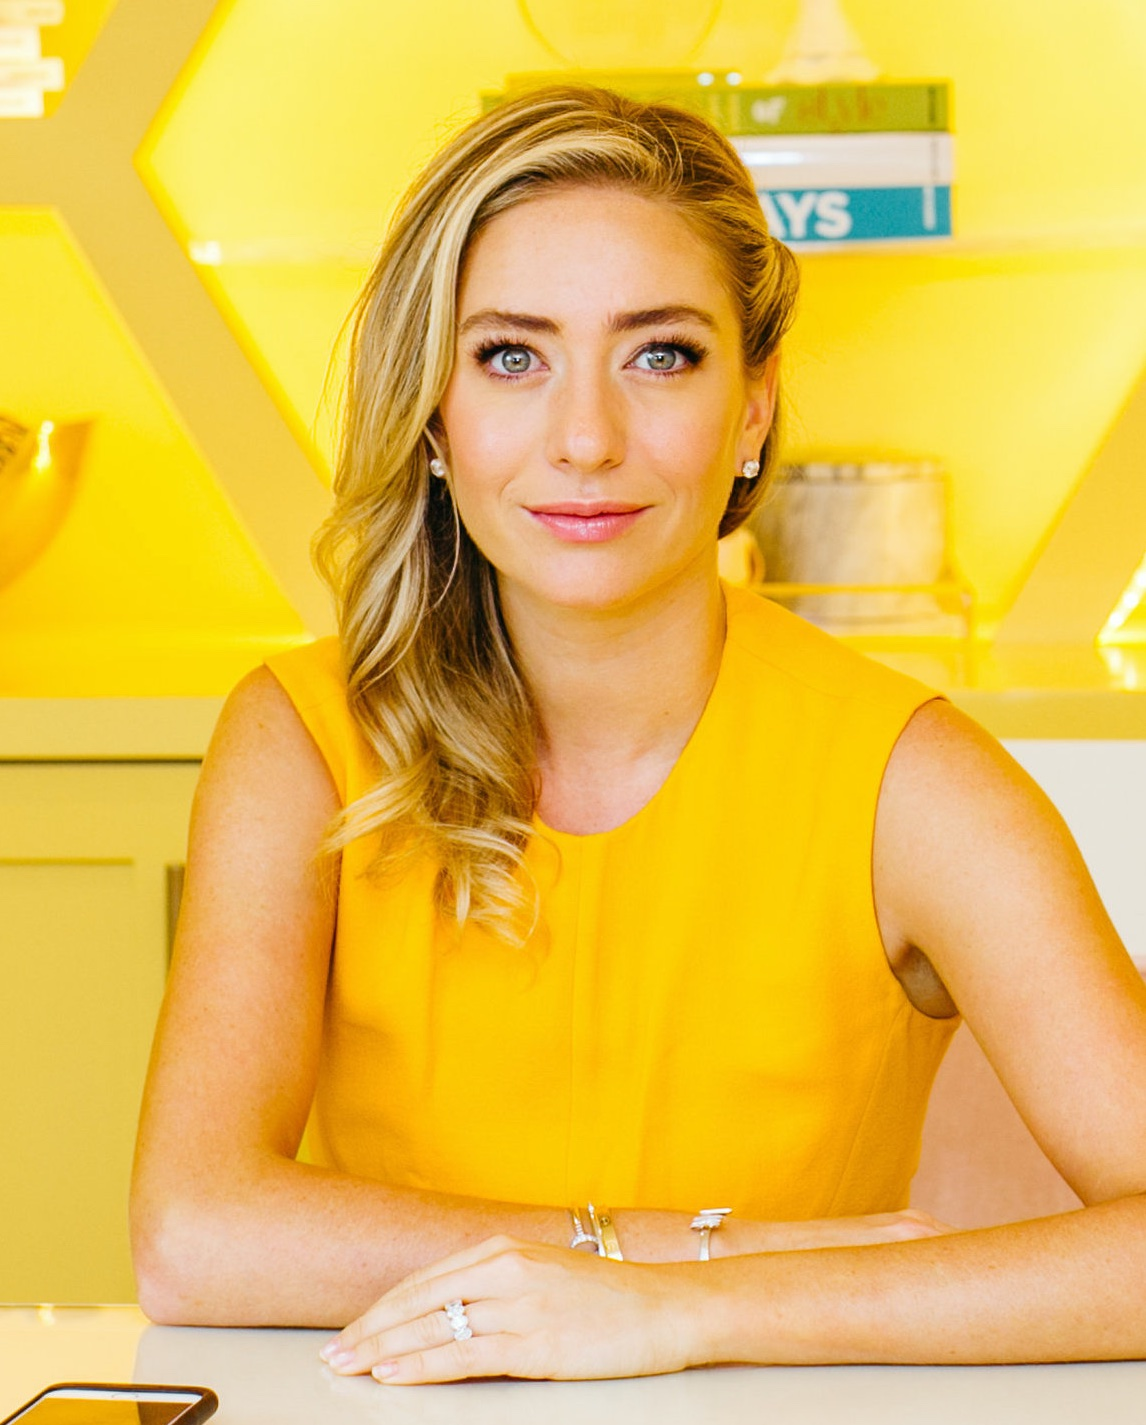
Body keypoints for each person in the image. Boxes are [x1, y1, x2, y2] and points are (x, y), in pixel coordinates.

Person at [130, 85, 1146, 1383]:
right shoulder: (302, 740)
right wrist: (658, 1253)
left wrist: (691, 1313)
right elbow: (191, 1233)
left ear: (754, 411)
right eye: (510, 356)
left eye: (658, 354)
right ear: (433, 415)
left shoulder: (911, 779)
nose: (586, 438)